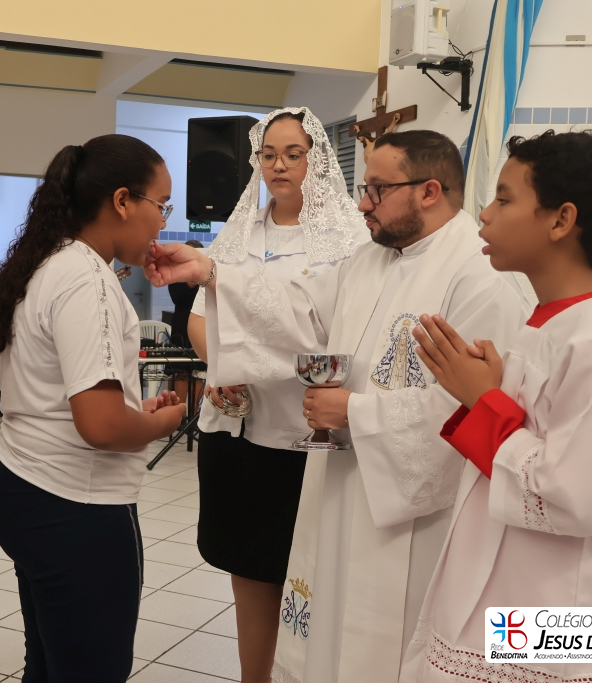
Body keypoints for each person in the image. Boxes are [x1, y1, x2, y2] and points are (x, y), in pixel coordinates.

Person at [144, 129, 529, 683]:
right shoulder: (369, 260)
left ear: (429, 191)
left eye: (377, 189)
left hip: (413, 517)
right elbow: (298, 314)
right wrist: (210, 272)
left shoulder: (479, 278)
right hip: (344, 485)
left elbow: (469, 412)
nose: (363, 203)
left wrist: (354, 414)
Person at [402, 130, 592, 682]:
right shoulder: (549, 325)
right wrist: (491, 395)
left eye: (504, 199)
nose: (484, 213)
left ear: (560, 220)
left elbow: (575, 501)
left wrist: (485, 400)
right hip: (521, 593)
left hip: (565, 615)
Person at [0, 134, 187, 683]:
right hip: (72, 502)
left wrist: (134, 408)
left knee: (51, 660)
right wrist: (160, 422)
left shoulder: (52, 261)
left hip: (21, 479)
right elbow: (100, 425)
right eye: (161, 205)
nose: (162, 222)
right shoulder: (87, 280)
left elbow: (65, 392)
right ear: (122, 201)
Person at [185, 107, 368, 683]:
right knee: (249, 570)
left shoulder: (348, 239)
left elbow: (339, 332)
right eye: (268, 154)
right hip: (240, 431)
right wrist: (223, 366)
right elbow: (201, 316)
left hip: (307, 435)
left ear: (319, 160)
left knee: (309, 573)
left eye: (294, 153)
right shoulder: (239, 232)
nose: (279, 165)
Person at [166, 239, 204, 408]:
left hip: (201, 328)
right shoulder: (176, 274)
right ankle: (178, 414)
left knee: (198, 374)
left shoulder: (206, 275)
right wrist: (188, 285)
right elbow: (177, 298)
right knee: (180, 373)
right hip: (181, 328)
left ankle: (195, 415)